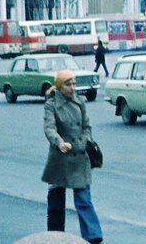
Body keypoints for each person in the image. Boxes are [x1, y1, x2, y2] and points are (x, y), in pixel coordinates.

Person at [42, 70, 104, 244]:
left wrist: (84, 141)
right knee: (56, 202)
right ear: (60, 86)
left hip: (79, 155)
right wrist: (59, 142)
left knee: (84, 199)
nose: (72, 88)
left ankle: (93, 236)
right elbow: (49, 128)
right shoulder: (51, 105)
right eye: (68, 84)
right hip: (59, 158)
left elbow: (87, 127)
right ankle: (55, 236)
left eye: (74, 84)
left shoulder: (80, 102)